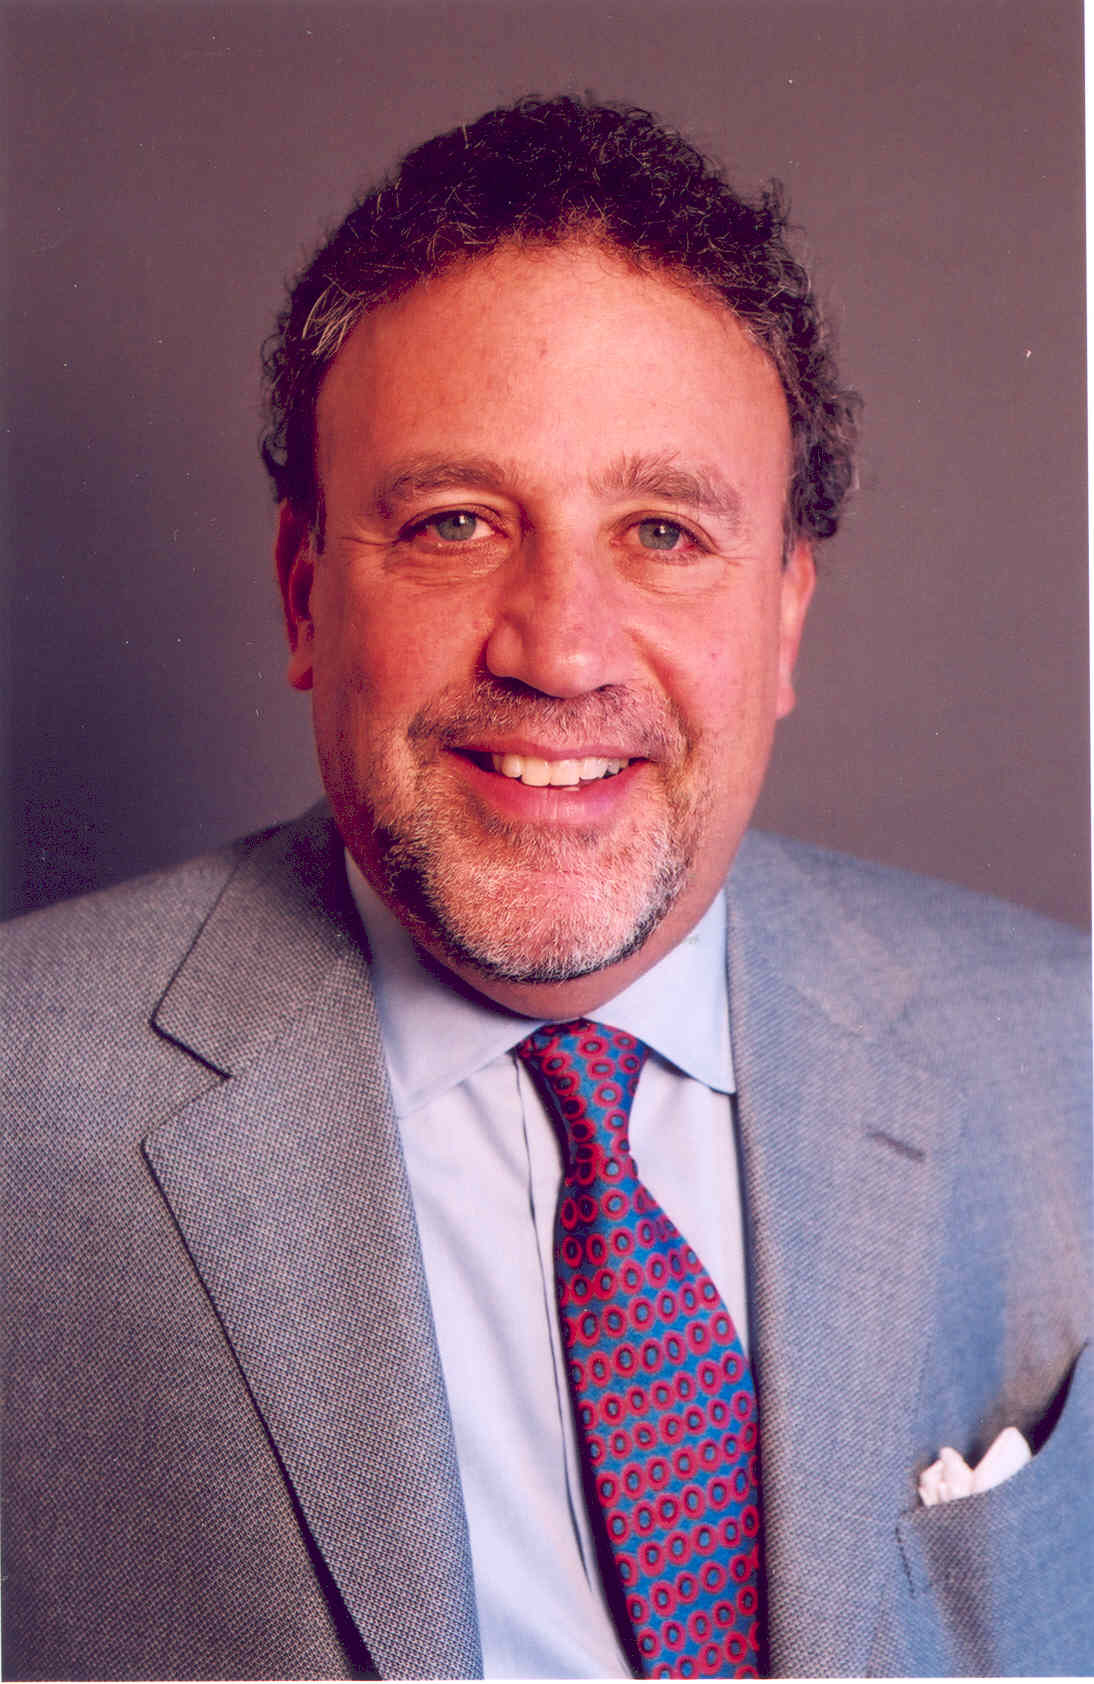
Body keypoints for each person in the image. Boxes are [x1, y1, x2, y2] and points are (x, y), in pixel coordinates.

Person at [2, 95, 1089, 1682]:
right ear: (305, 595)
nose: (561, 650)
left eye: (662, 531)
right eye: (453, 523)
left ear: (784, 617)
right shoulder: (23, 1118)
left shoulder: (1064, 1059)